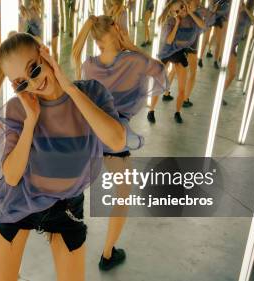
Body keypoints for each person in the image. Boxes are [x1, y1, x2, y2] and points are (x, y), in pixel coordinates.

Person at [0, 32, 126, 281]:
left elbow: (116, 140)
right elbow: (12, 176)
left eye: (34, 70)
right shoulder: (18, 111)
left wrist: (69, 88)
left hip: (66, 206)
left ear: (45, 54)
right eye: (21, 82)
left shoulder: (91, 93)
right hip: (18, 204)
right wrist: (31, 122)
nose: (33, 83)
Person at [72, 15, 168, 271]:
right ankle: (107, 253)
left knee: (75, 190)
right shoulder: (135, 61)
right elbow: (160, 73)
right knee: (123, 193)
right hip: (116, 138)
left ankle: (71, 238)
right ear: (116, 29)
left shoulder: (88, 66)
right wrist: (133, 46)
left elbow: (80, 78)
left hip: (89, 136)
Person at [149, 0, 205, 124]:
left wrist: (191, 12)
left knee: (181, 88)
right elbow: (168, 41)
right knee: (159, 83)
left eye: (182, 6)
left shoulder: (194, 17)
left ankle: (177, 112)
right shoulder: (170, 21)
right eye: (177, 10)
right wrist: (176, 24)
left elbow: (202, 26)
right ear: (173, 12)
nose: (182, 10)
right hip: (166, 52)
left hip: (179, 52)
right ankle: (151, 111)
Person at [220, 2, 254, 105]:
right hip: (228, 46)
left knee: (231, 74)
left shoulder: (245, 15)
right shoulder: (231, 14)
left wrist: (246, 10)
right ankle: (219, 94)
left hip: (233, 46)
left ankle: (220, 94)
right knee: (231, 73)